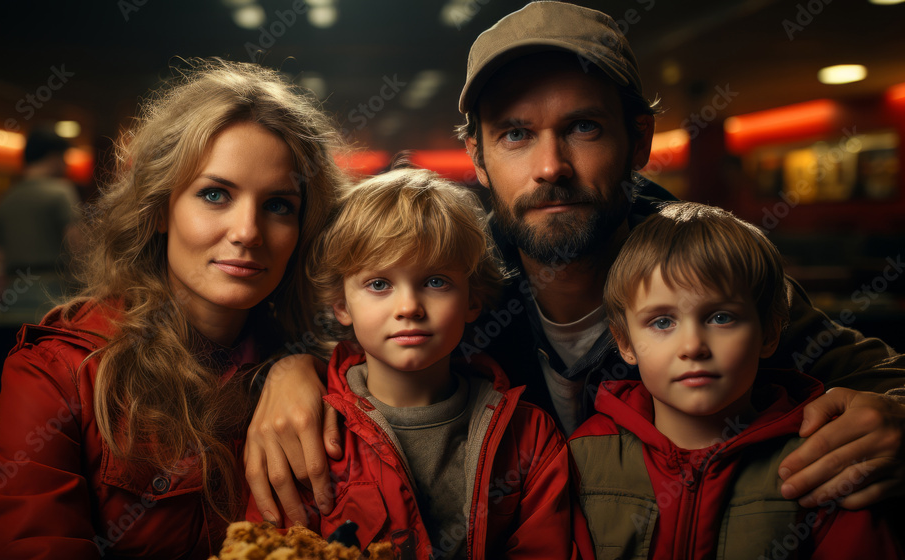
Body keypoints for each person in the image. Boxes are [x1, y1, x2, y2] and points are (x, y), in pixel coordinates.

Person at [244, 1, 905, 525]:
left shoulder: (700, 265)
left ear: (637, 140)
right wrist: (291, 369)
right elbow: (356, 331)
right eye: (516, 134)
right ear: (478, 156)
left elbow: (872, 371)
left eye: (583, 128)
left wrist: (897, 415)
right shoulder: (454, 267)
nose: (551, 167)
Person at [0, 59, 344, 559]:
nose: (247, 231)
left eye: (279, 204)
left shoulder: (331, 374)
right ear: (158, 211)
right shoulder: (57, 373)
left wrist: (307, 365)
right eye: (215, 194)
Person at [246, 167, 571, 560]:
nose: (409, 308)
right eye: (379, 284)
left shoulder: (530, 436)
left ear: (472, 300)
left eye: (435, 281)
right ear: (341, 305)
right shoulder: (306, 427)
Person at [569, 201, 901, 559]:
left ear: (770, 332)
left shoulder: (824, 459)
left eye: (721, 317)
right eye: (662, 322)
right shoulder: (585, 456)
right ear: (624, 343)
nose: (693, 346)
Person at [0, 125, 82, 314]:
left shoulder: (4, 199)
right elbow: (77, 245)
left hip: (11, 293)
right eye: (64, 158)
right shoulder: (61, 191)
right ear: (54, 156)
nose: (66, 165)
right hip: (53, 291)